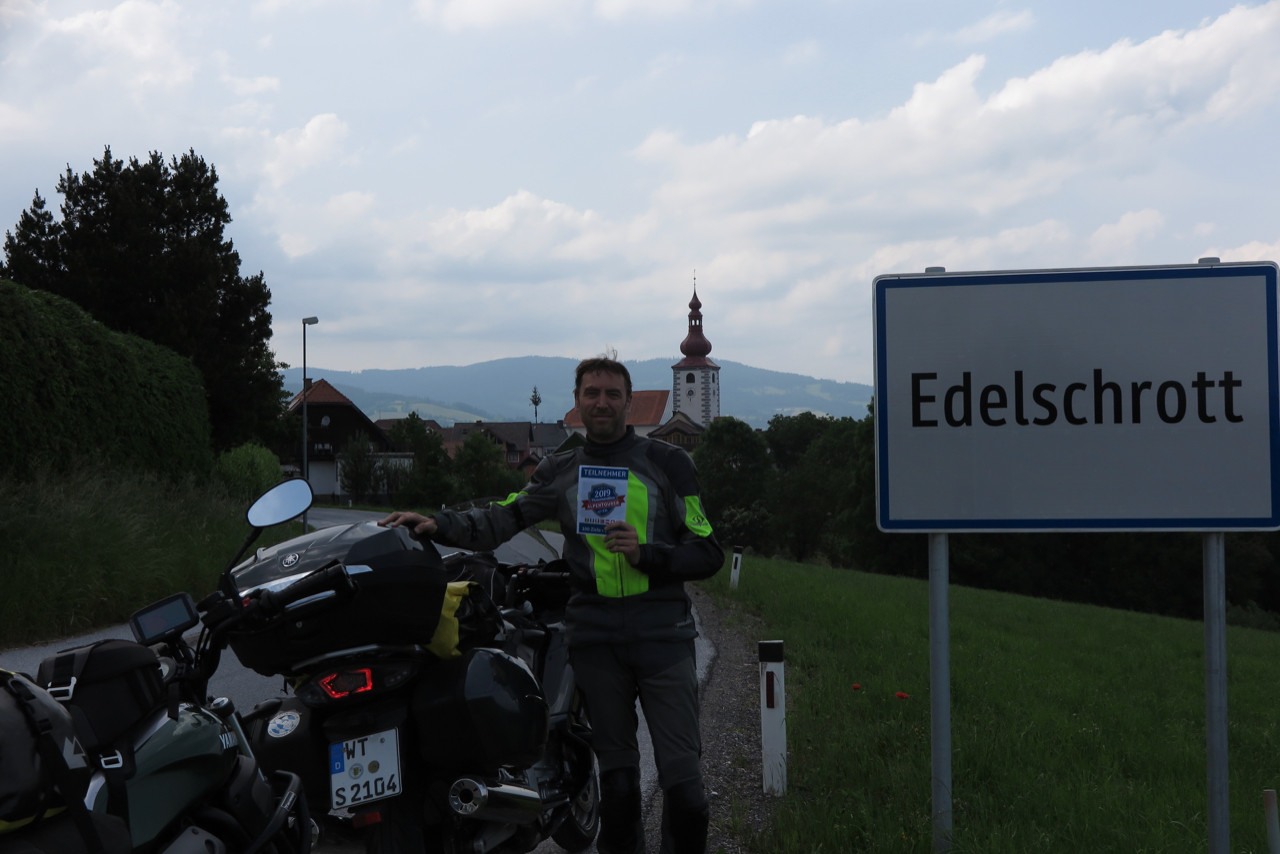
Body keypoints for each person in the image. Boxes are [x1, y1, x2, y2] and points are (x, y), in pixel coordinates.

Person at [380, 354, 724, 854]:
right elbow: (505, 516)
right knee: (620, 788)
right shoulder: (562, 469)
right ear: (577, 401)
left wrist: (647, 554)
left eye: (612, 394)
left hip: (663, 636)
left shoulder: (670, 463)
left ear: (629, 401)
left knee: (686, 791)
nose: (602, 403)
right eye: (592, 393)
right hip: (595, 639)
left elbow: (708, 551)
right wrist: (440, 524)